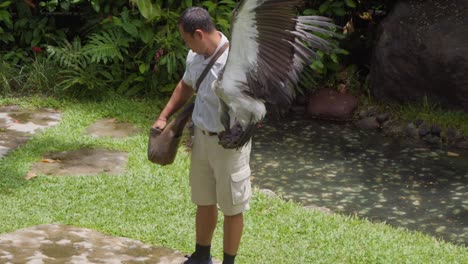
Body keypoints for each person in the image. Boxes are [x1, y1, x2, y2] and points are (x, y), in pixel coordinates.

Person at [152, 7, 252, 264]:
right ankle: (201, 256)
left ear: (198, 34)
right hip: (201, 140)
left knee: (232, 207)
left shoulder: (236, 60)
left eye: (187, 39)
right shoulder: (194, 57)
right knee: (204, 200)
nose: (187, 45)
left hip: (229, 144)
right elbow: (185, 86)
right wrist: (164, 116)